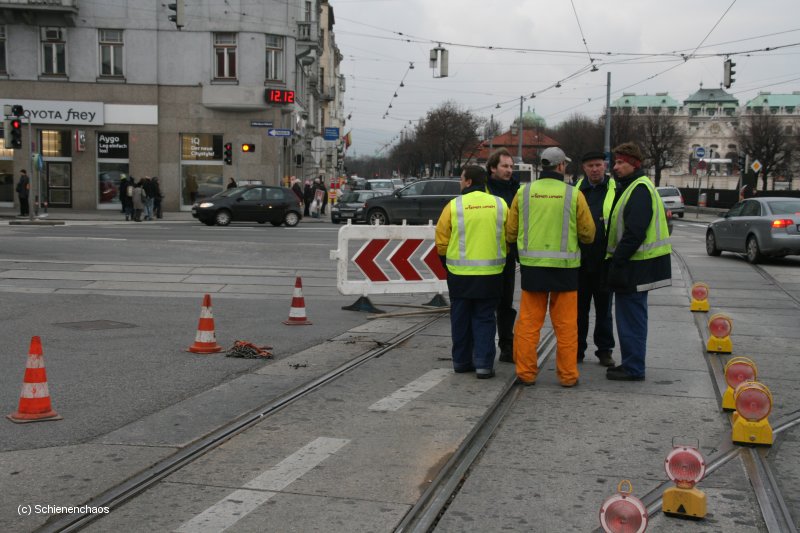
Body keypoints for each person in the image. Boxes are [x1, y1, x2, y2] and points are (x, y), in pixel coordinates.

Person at [507, 147, 595, 387]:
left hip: (533, 268)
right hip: (566, 269)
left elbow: (511, 231)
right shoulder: (574, 195)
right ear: (559, 166)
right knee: (566, 325)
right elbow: (588, 234)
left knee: (528, 323)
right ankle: (567, 376)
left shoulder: (523, 193)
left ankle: (525, 373)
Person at [605, 142, 672, 381]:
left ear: (634, 164)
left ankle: (634, 367)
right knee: (630, 316)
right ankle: (631, 363)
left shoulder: (639, 189)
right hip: (636, 265)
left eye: (621, 162)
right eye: (615, 162)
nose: (616, 167)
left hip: (636, 266)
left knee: (631, 318)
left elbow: (635, 233)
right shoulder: (633, 186)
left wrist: (617, 261)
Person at [435, 165, 508, 379]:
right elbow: (510, 234)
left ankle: (461, 362)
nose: (460, 182)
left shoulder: (454, 206)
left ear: (468, 182)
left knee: (460, 318)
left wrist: (447, 263)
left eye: (461, 179)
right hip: (492, 273)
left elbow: (441, 240)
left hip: (460, 274)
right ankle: (484, 365)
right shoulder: (500, 204)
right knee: (485, 318)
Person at [575, 151, 616, 367]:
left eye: (598, 165)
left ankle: (604, 350)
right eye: (590, 165)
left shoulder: (614, 189)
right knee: (579, 311)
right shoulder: (575, 191)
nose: (595, 169)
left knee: (604, 311)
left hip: (604, 259)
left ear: (605, 165)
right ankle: (577, 349)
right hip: (580, 260)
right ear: (584, 168)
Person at [485, 148, 519, 363]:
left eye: (511, 166)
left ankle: (507, 346)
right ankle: (484, 347)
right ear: (492, 168)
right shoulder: (484, 190)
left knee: (506, 303)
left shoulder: (517, 189)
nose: (509, 170)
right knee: (486, 304)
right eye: (505, 166)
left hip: (507, 255)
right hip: (486, 254)